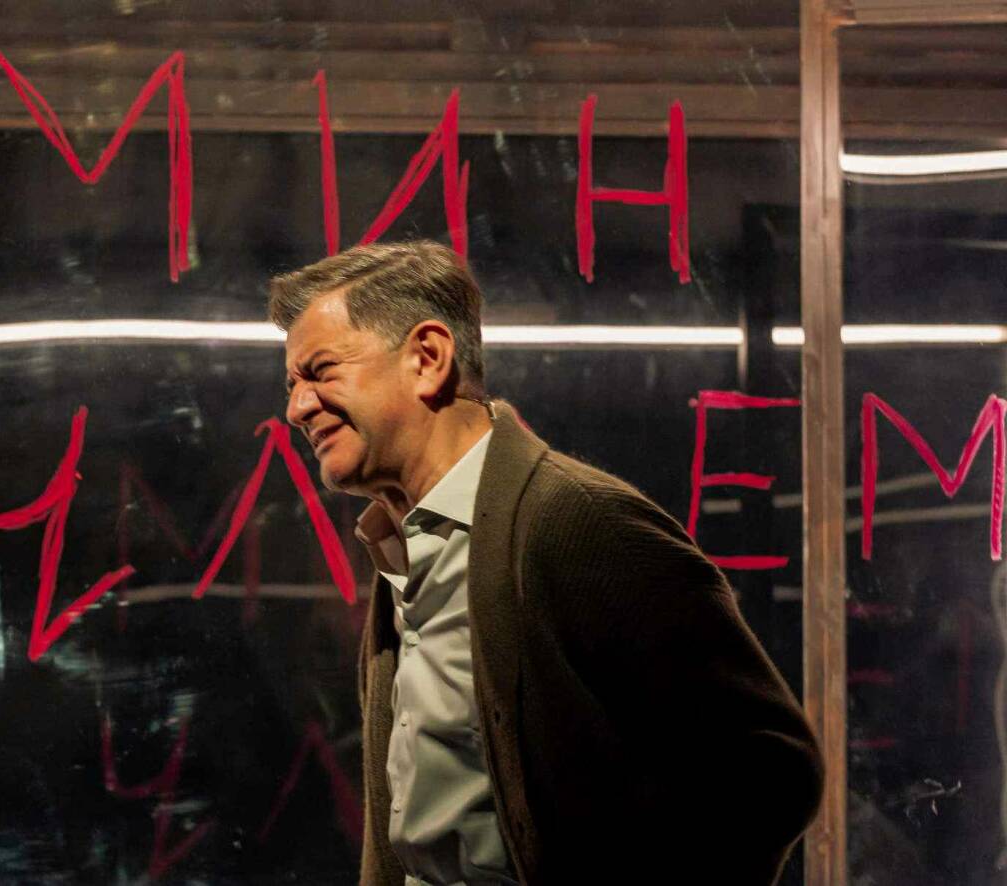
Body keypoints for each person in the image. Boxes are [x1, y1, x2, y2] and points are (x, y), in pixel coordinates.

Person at [269, 240, 824, 886]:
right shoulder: (402, 547)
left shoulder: (576, 522)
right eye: (293, 385)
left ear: (427, 358)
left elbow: (774, 768)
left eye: (320, 371)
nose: (296, 408)